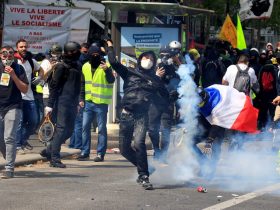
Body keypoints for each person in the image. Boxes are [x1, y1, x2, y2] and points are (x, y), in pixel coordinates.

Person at [107, 39, 169, 190]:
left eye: (151, 59)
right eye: (145, 58)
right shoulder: (129, 72)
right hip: (126, 114)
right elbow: (114, 62)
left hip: (142, 116)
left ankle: (143, 176)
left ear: (154, 63)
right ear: (140, 59)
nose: (148, 61)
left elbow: (165, 97)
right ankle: (145, 168)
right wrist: (110, 47)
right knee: (124, 149)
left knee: (139, 143)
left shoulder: (155, 80)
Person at [40, 41, 82, 168]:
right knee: (61, 129)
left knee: (69, 130)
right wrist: (50, 105)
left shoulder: (78, 65)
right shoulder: (61, 66)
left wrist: (78, 101)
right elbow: (54, 87)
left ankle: (49, 150)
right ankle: (55, 159)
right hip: (62, 102)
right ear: (70, 52)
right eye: (76, 51)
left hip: (73, 103)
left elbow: (78, 85)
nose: (78, 53)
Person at [78, 44, 115, 161]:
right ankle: (85, 152)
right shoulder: (85, 66)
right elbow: (83, 84)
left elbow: (112, 80)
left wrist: (107, 70)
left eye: (97, 55)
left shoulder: (107, 66)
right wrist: (81, 98)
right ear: (89, 55)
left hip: (101, 103)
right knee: (84, 127)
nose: (95, 56)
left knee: (101, 129)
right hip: (88, 102)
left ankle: (100, 154)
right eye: (92, 54)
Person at [0, 46, 29, 178]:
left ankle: (9, 168)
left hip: (13, 106)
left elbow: (24, 89)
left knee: (9, 138)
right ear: (0, 55)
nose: (7, 57)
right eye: (4, 54)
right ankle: (9, 157)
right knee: (2, 139)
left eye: (10, 54)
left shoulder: (18, 68)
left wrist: (13, 75)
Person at [14, 39, 44, 152]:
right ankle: (17, 145)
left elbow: (41, 70)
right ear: (17, 48)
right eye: (21, 47)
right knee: (19, 122)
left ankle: (23, 139)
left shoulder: (31, 61)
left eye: (25, 46)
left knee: (34, 121)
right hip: (17, 97)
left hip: (30, 96)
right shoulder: (13, 61)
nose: (23, 49)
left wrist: (40, 77)